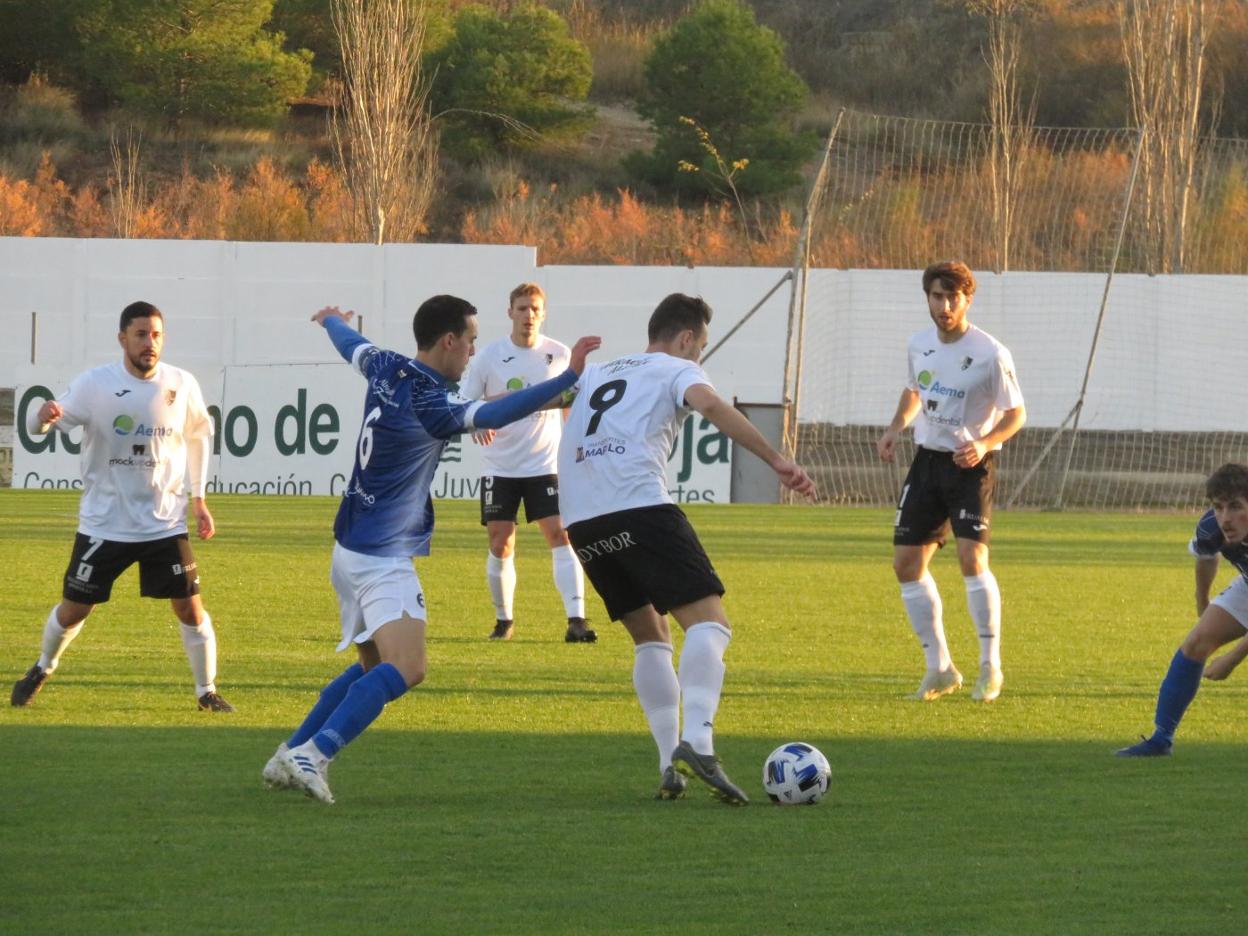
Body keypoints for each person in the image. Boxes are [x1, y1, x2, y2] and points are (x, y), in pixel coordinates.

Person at [265, 297, 599, 803]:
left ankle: (289, 751)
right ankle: (315, 754)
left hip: (349, 548)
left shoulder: (385, 366)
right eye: (467, 343)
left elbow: (350, 345)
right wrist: (565, 377)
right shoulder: (431, 403)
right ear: (448, 341)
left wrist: (331, 320)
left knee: (374, 667)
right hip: (382, 556)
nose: (470, 354)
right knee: (409, 667)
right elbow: (499, 410)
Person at [557, 293, 816, 805]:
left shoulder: (596, 372)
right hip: (638, 506)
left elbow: (547, 400)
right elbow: (712, 405)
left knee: (651, 638)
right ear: (684, 339)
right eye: (699, 347)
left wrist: (569, 374)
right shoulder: (675, 369)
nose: (698, 358)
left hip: (583, 522)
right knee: (711, 625)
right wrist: (775, 459)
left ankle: (666, 766)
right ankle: (698, 740)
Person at [10, 300, 232, 712]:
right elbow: (37, 428)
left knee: (189, 605)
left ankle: (207, 692)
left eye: (157, 335)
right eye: (141, 334)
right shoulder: (95, 385)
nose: (150, 343)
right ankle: (42, 667)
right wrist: (42, 417)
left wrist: (199, 498)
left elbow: (200, 435)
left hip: (164, 524)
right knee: (75, 609)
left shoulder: (180, 384)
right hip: (104, 526)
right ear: (122, 339)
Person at [876, 260, 1026, 703]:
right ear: (928, 298)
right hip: (928, 463)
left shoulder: (991, 353)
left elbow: (1017, 414)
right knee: (906, 565)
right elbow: (914, 391)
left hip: (970, 466)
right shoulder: (918, 345)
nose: (944, 306)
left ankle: (989, 667)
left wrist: (985, 443)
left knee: (971, 559)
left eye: (953, 298)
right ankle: (939, 667)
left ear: (967, 299)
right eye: (937, 297)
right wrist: (894, 427)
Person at [460, 283, 594, 643]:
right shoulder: (488, 356)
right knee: (500, 541)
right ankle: (504, 621)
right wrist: (477, 425)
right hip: (500, 466)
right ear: (510, 313)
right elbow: (467, 405)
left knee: (560, 534)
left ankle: (576, 619)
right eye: (521, 308)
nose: (528, 316)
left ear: (543, 313)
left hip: (544, 464)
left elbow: (572, 403)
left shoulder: (560, 355)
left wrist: (576, 445)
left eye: (535, 309)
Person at [1117, 463, 1248, 756]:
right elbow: (1206, 555)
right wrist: (1203, 602)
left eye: (1236, 507)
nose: (1225, 518)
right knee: (1196, 643)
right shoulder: (1211, 526)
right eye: (1218, 507)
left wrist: (1232, 658)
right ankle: (1161, 738)